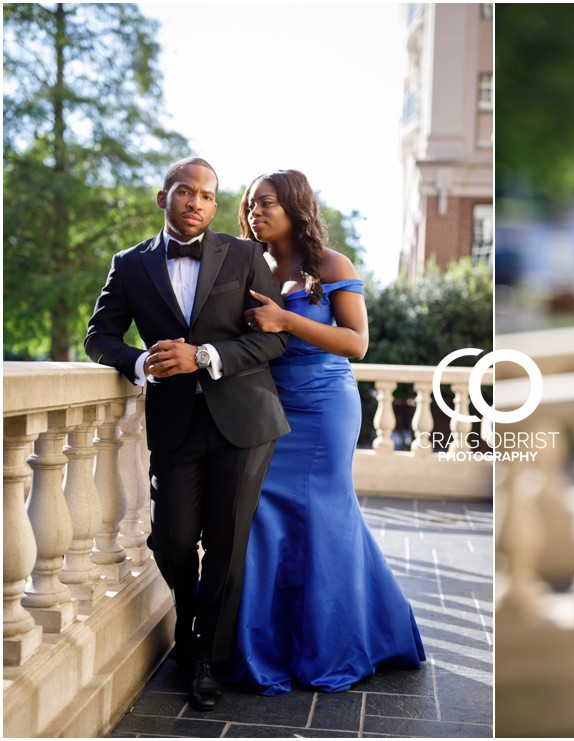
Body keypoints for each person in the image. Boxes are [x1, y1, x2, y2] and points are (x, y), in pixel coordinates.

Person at [84, 157, 289, 711]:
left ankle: (200, 655)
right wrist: (143, 364)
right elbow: (98, 337)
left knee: (226, 545)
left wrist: (204, 356)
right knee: (172, 539)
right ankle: (194, 624)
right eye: (185, 192)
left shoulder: (245, 256)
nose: (196, 202)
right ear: (163, 197)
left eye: (206, 195)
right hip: (174, 424)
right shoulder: (129, 265)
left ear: (214, 205)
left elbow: (273, 340)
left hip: (244, 420)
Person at [221, 169, 426, 695]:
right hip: (267, 402)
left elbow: (357, 343)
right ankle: (262, 644)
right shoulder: (249, 264)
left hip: (323, 404)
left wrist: (287, 321)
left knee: (323, 515)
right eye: (249, 205)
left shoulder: (330, 265)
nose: (254, 212)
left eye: (265, 203)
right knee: (263, 513)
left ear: (295, 206)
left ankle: (332, 644)